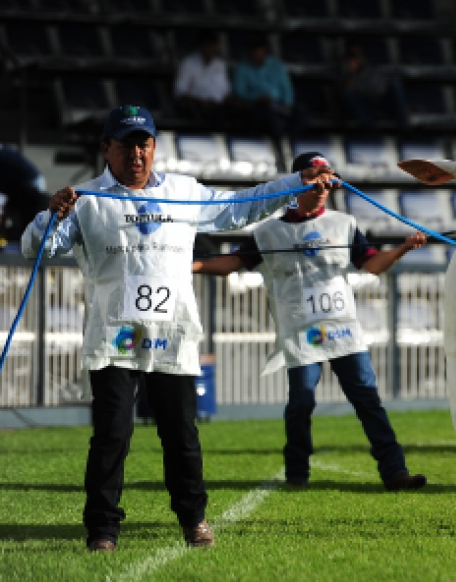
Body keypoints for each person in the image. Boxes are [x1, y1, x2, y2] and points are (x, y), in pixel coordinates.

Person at [22, 105, 336, 553]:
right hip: (115, 335)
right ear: (105, 148)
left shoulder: (183, 192)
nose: (137, 152)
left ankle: (193, 519)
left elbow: (238, 208)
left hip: (173, 333)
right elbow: (40, 247)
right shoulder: (85, 197)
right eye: (127, 143)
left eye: (144, 142)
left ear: (154, 147)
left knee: (181, 433)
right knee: (112, 434)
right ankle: (103, 530)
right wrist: (50, 215)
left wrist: (296, 184)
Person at [191, 151, 428, 491]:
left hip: (343, 330)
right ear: (297, 181)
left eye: (327, 174)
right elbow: (234, 263)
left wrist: (403, 248)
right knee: (301, 399)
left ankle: (395, 472)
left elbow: (373, 265)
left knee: (367, 400)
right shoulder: (268, 232)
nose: (322, 180)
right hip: (301, 333)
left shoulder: (343, 224)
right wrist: (193, 266)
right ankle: (296, 473)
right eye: (314, 173)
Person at [232, 35, 305, 140]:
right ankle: (278, 145)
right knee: (268, 117)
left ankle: (291, 142)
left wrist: (287, 104)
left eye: (259, 50)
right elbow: (240, 92)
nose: (257, 54)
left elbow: (286, 87)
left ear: (264, 50)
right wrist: (258, 97)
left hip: (278, 104)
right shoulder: (242, 67)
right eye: (254, 51)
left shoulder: (276, 64)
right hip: (256, 104)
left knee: (301, 114)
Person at [337, 41, 409, 128]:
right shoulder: (345, 73)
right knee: (349, 95)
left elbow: (382, 87)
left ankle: (404, 125)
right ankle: (370, 130)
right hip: (366, 108)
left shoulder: (372, 68)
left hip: (382, 102)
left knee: (396, 85)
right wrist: (351, 76)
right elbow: (342, 95)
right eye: (354, 56)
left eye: (359, 55)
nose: (357, 59)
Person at [174, 30, 230, 127]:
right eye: (207, 46)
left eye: (212, 46)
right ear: (200, 46)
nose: (210, 49)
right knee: (194, 110)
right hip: (194, 104)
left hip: (215, 106)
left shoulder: (220, 65)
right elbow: (180, 91)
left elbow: (225, 90)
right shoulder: (188, 63)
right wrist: (200, 101)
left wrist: (212, 102)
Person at [0, 145, 48, 249]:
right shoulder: (12, 185)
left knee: (27, 228)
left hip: (31, 190)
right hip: (27, 189)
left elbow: (7, 209)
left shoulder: (21, 191)